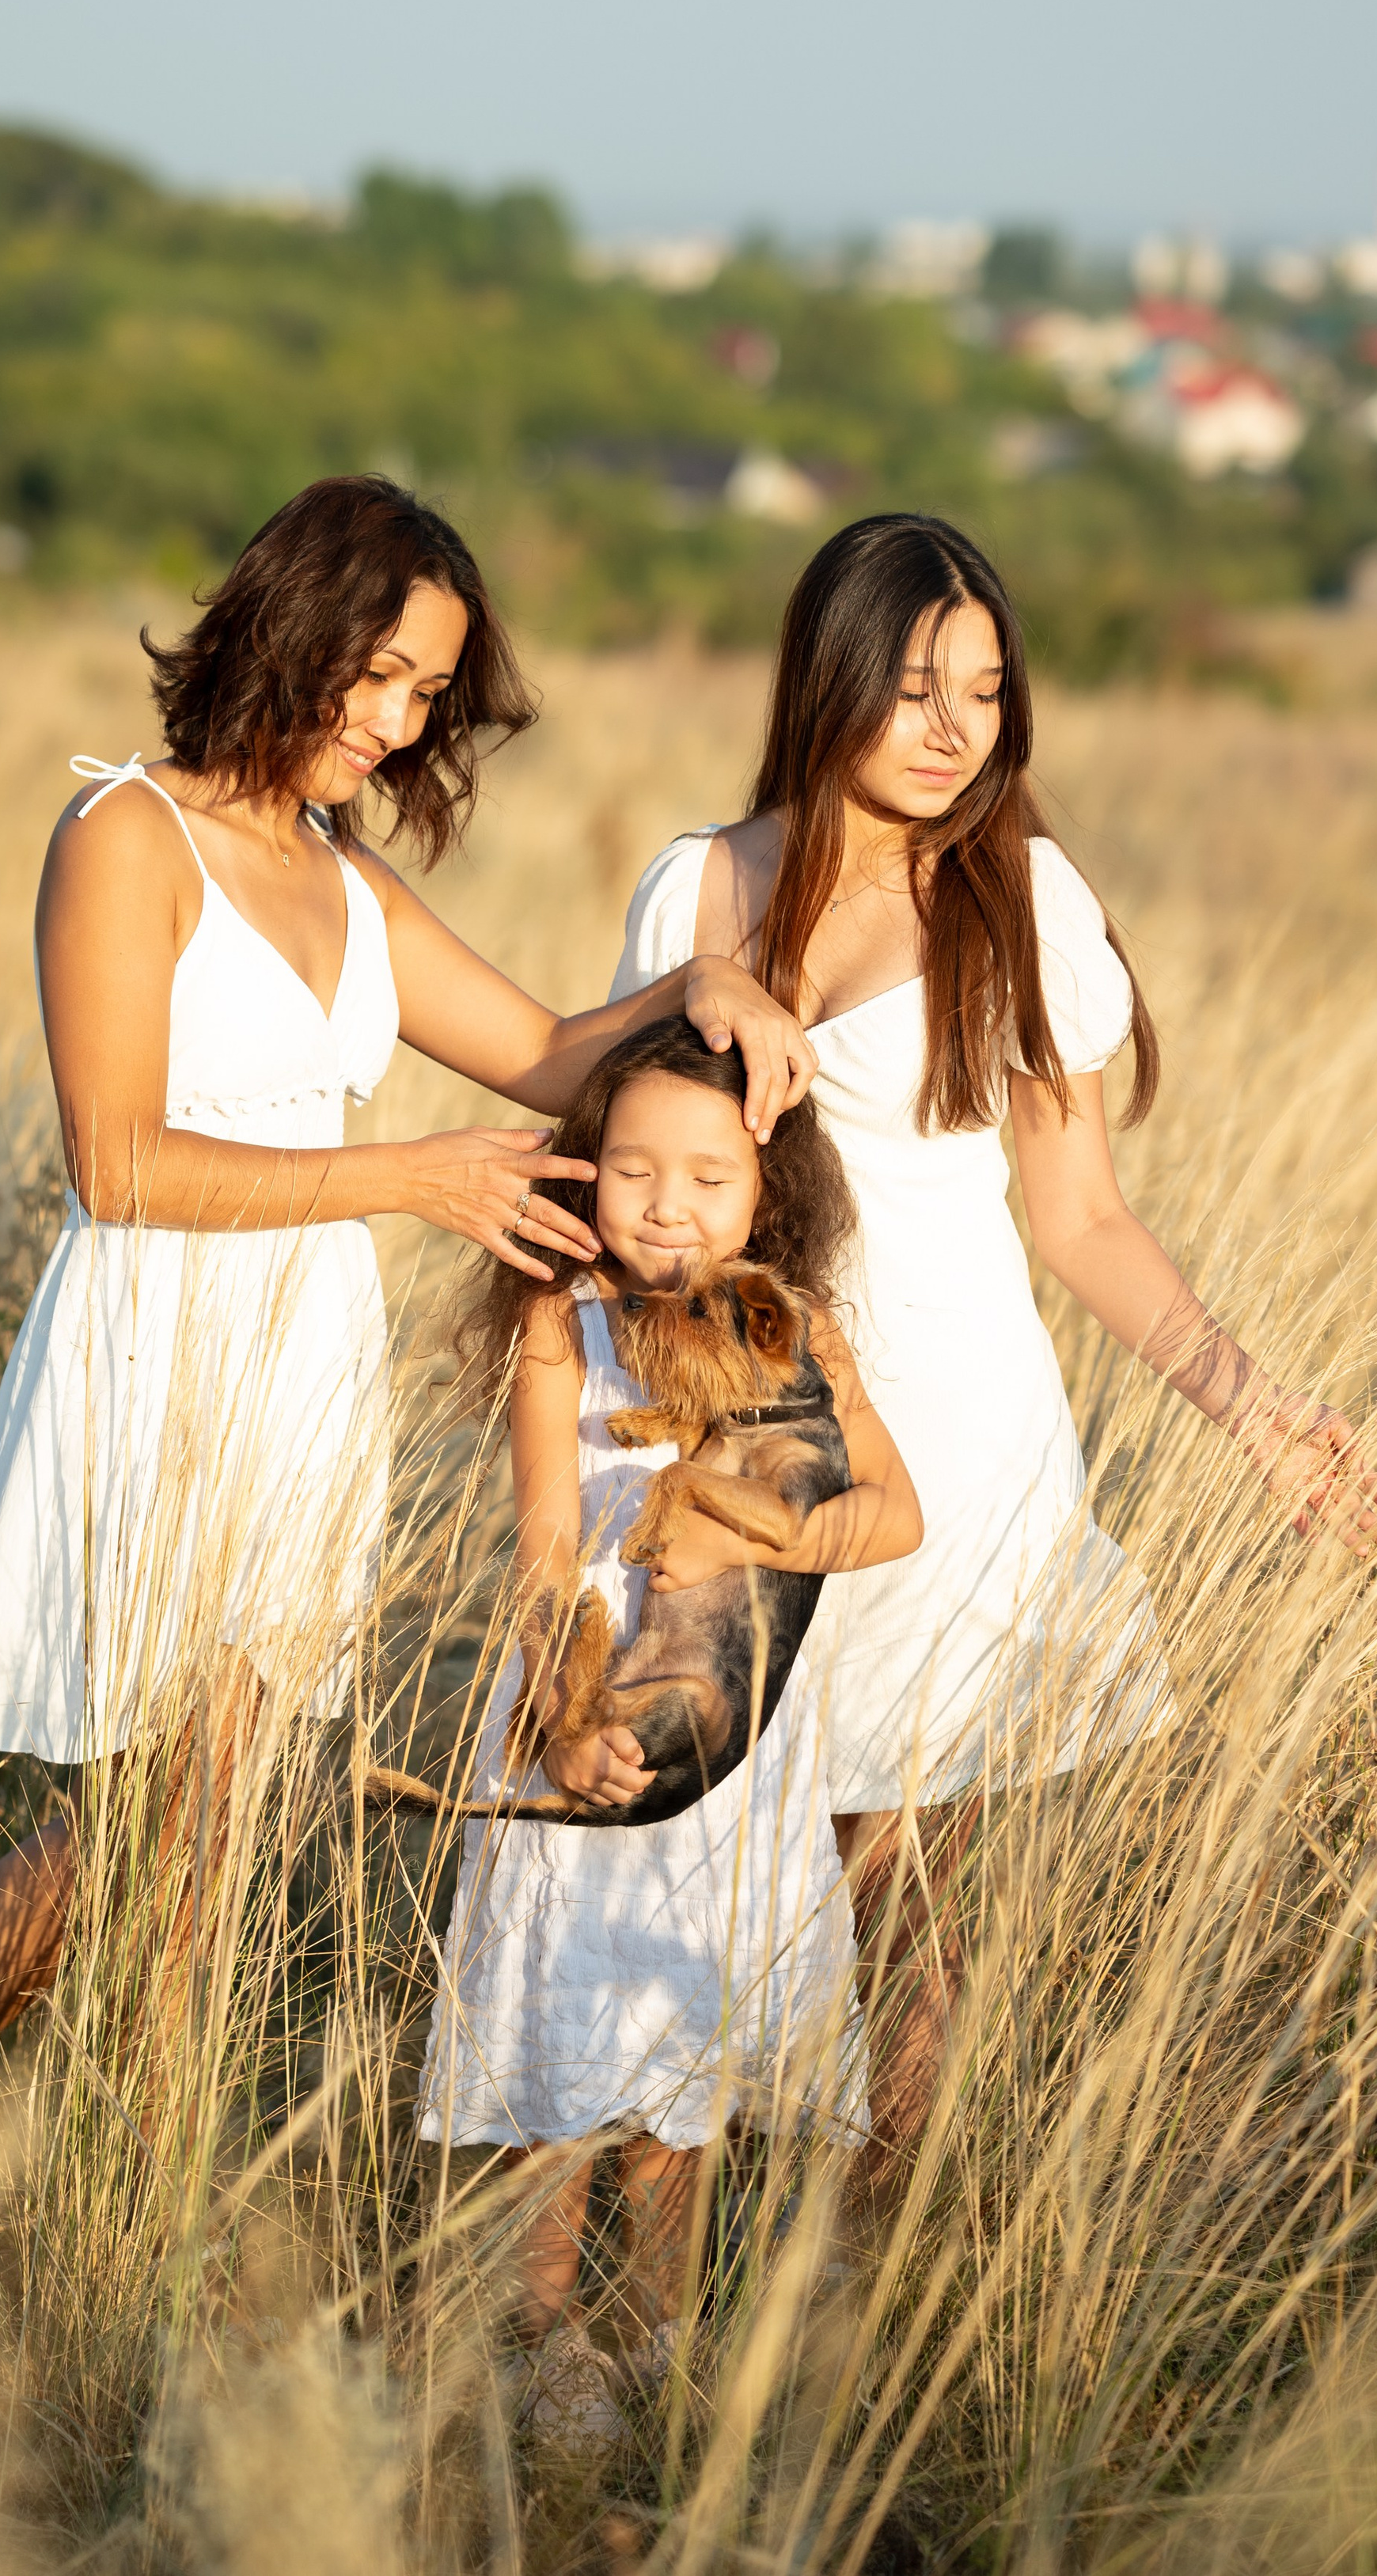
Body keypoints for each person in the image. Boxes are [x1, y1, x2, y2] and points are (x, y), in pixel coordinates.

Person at [0, 475, 816, 2308]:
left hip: (301, 1361)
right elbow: (114, 1161)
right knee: (184, 1801)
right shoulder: (126, 834)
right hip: (158, 1342)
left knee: (218, 1816)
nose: (397, 721)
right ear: (293, 625)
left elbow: (557, 1051)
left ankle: (84, 2199)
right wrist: (407, 1174)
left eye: (426, 694)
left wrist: (696, 977)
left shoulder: (343, 880)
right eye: (382, 674)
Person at [610, 512, 1377, 2162]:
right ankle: (668, 2293)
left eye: (982, 687)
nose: (954, 725)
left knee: (896, 1901)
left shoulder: (1019, 896)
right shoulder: (697, 883)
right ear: (827, 681)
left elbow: (1081, 1217)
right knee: (697, 1867)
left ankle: (860, 2294)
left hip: (954, 1444)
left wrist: (1253, 1412)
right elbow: (634, 1172)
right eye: (910, 686)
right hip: (738, 1438)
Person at [416, 1014, 921, 2449]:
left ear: (767, 1188)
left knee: (682, 2035)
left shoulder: (795, 1331)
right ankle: (544, 2326)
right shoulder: (557, 1318)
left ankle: (657, 2325)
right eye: (632, 1171)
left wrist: (743, 1525)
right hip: (586, 1718)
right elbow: (540, 1550)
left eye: (708, 1178)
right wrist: (561, 1727)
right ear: (586, 1177)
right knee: (565, 2042)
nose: (667, 1207)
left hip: (735, 1738)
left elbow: (894, 1513)